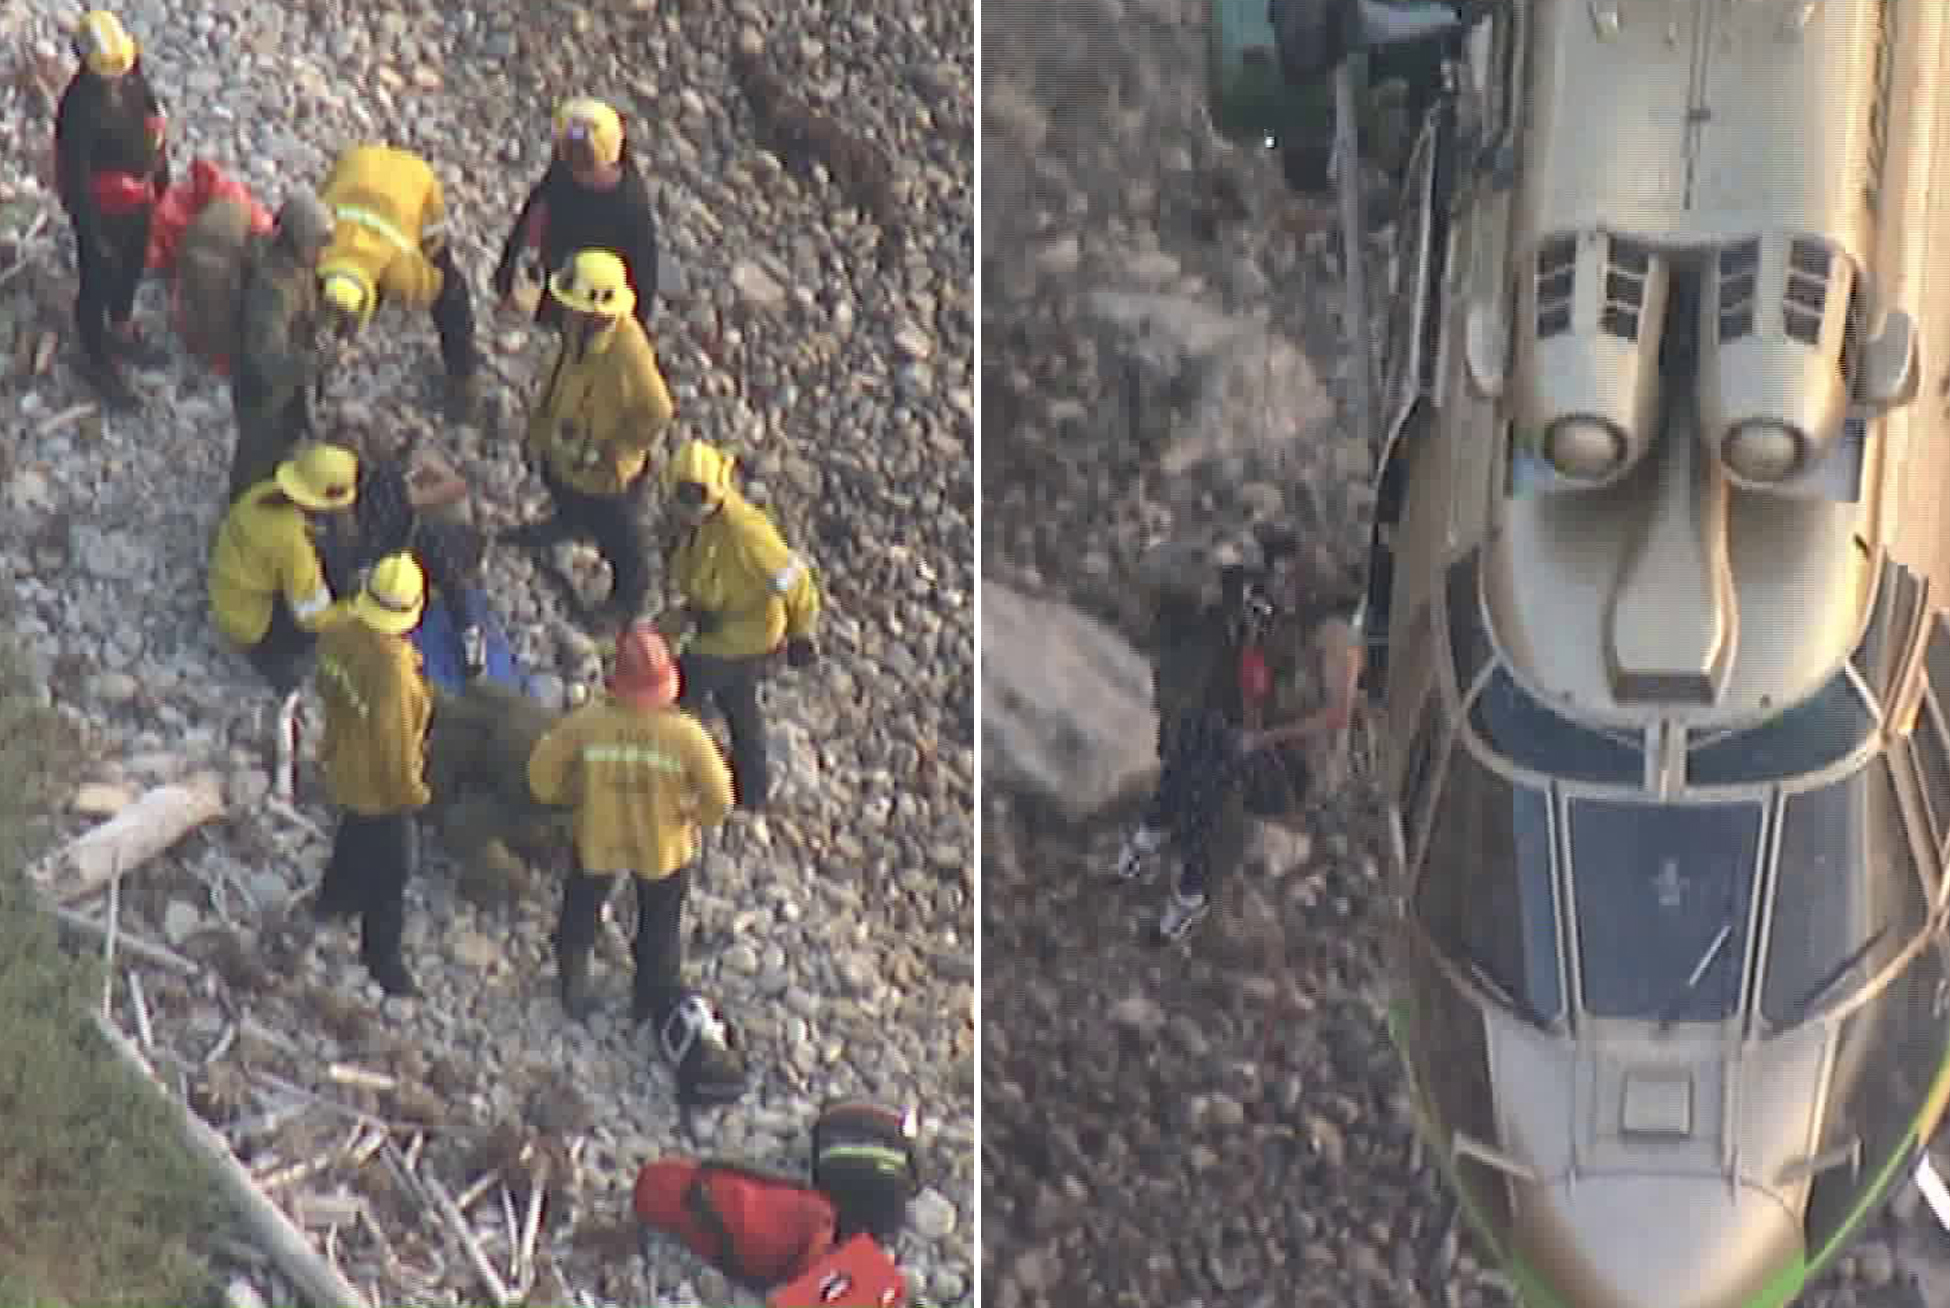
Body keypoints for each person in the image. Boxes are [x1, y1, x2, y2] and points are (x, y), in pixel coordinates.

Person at [526, 624, 750, 1103]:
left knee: (582, 907)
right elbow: (722, 799)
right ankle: (649, 998)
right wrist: (691, 818)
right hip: (663, 846)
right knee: (660, 923)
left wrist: (574, 798)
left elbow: (541, 777)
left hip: (599, 835)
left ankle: (573, 980)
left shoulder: (588, 723)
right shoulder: (686, 736)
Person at [1114, 535, 1367, 942]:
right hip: (1270, 749)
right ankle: (1156, 832)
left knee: (1221, 764)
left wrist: (1263, 738)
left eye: (1297, 583)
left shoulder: (1336, 639)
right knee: (1199, 732)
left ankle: (1191, 892)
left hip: (1300, 773)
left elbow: (1336, 716)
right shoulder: (1286, 633)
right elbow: (1256, 699)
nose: (1287, 590)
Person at [501, 249, 675, 628]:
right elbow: (563, 369)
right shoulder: (578, 327)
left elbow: (658, 410)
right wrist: (539, 424)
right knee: (562, 488)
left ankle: (627, 600)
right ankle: (568, 524)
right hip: (568, 446)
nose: (569, 310)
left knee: (619, 533)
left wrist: (621, 448)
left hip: (604, 468)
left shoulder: (628, 349)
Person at [656, 439, 822, 812]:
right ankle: (753, 786)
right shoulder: (694, 524)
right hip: (717, 621)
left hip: (744, 634)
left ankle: (674, 772)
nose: (685, 510)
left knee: (684, 689)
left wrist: (801, 632)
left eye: (693, 502)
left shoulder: (746, 533)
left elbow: (794, 579)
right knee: (738, 701)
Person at [312, 552, 434, 998]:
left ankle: (332, 901)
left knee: (352, 835)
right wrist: (414, 795)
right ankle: (383, 960)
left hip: (345, 761)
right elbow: (397, 749)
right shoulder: (395, 675)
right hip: (383, 789)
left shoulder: (342, 631)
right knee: (392, 873)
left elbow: (326, 687)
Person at [53, 10, 172, 409]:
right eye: (109, 75)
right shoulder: (78, 108)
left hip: (138, 199)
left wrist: (161, 174)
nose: (117, 78)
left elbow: (153, 119)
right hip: (102, 210)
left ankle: (120, 327)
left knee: (132, 267)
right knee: (96, 282)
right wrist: (90, 232)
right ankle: (95, 357)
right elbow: (77, 176)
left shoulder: (131, 72)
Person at [314, 143, 483, 420]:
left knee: (450, 291)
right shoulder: (316, 250)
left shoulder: (401, 272)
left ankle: (463, 377)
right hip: (358, 164)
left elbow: (436, 285)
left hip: (412, 181)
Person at [208, 442, 362, 698]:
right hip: (250, 624)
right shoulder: (293, 543)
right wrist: (355, 608)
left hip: (229, 592)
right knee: (309, 625)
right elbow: (312, 617)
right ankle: (276, 666)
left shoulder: (262, 492)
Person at [491, 98, 660, 332]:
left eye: (585, 165)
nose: (575, 170)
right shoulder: (566, 163)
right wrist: (507, 272)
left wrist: (634, 326)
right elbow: (535, 209)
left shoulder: (631, 206)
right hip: (558, 271)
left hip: (594, 298)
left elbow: (644, 273)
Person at [228, 191, 337, 502]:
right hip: (264, 393)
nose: (322, 253)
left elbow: (309, 312)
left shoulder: (297, 270)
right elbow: (268, 360)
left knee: (284, 443)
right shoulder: (273, 290)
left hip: (288, 387)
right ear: (298, 240)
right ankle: (241, 517)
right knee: (256, 459)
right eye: (317, 244)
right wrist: (319, 360)